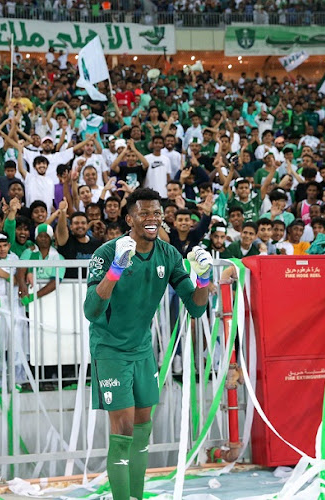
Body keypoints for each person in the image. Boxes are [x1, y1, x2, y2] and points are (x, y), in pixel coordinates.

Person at [84, 188, 211, 500]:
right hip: (110, 349)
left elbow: (195, 308)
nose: (153, 219)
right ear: (130, 219)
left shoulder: (168, 255)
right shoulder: (106, 253)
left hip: (142, 350)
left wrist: (205, 279)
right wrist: (115, 270)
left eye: (157, 213)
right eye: (145, 214)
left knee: (143, 429)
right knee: (124, 429)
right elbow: (91, 311)